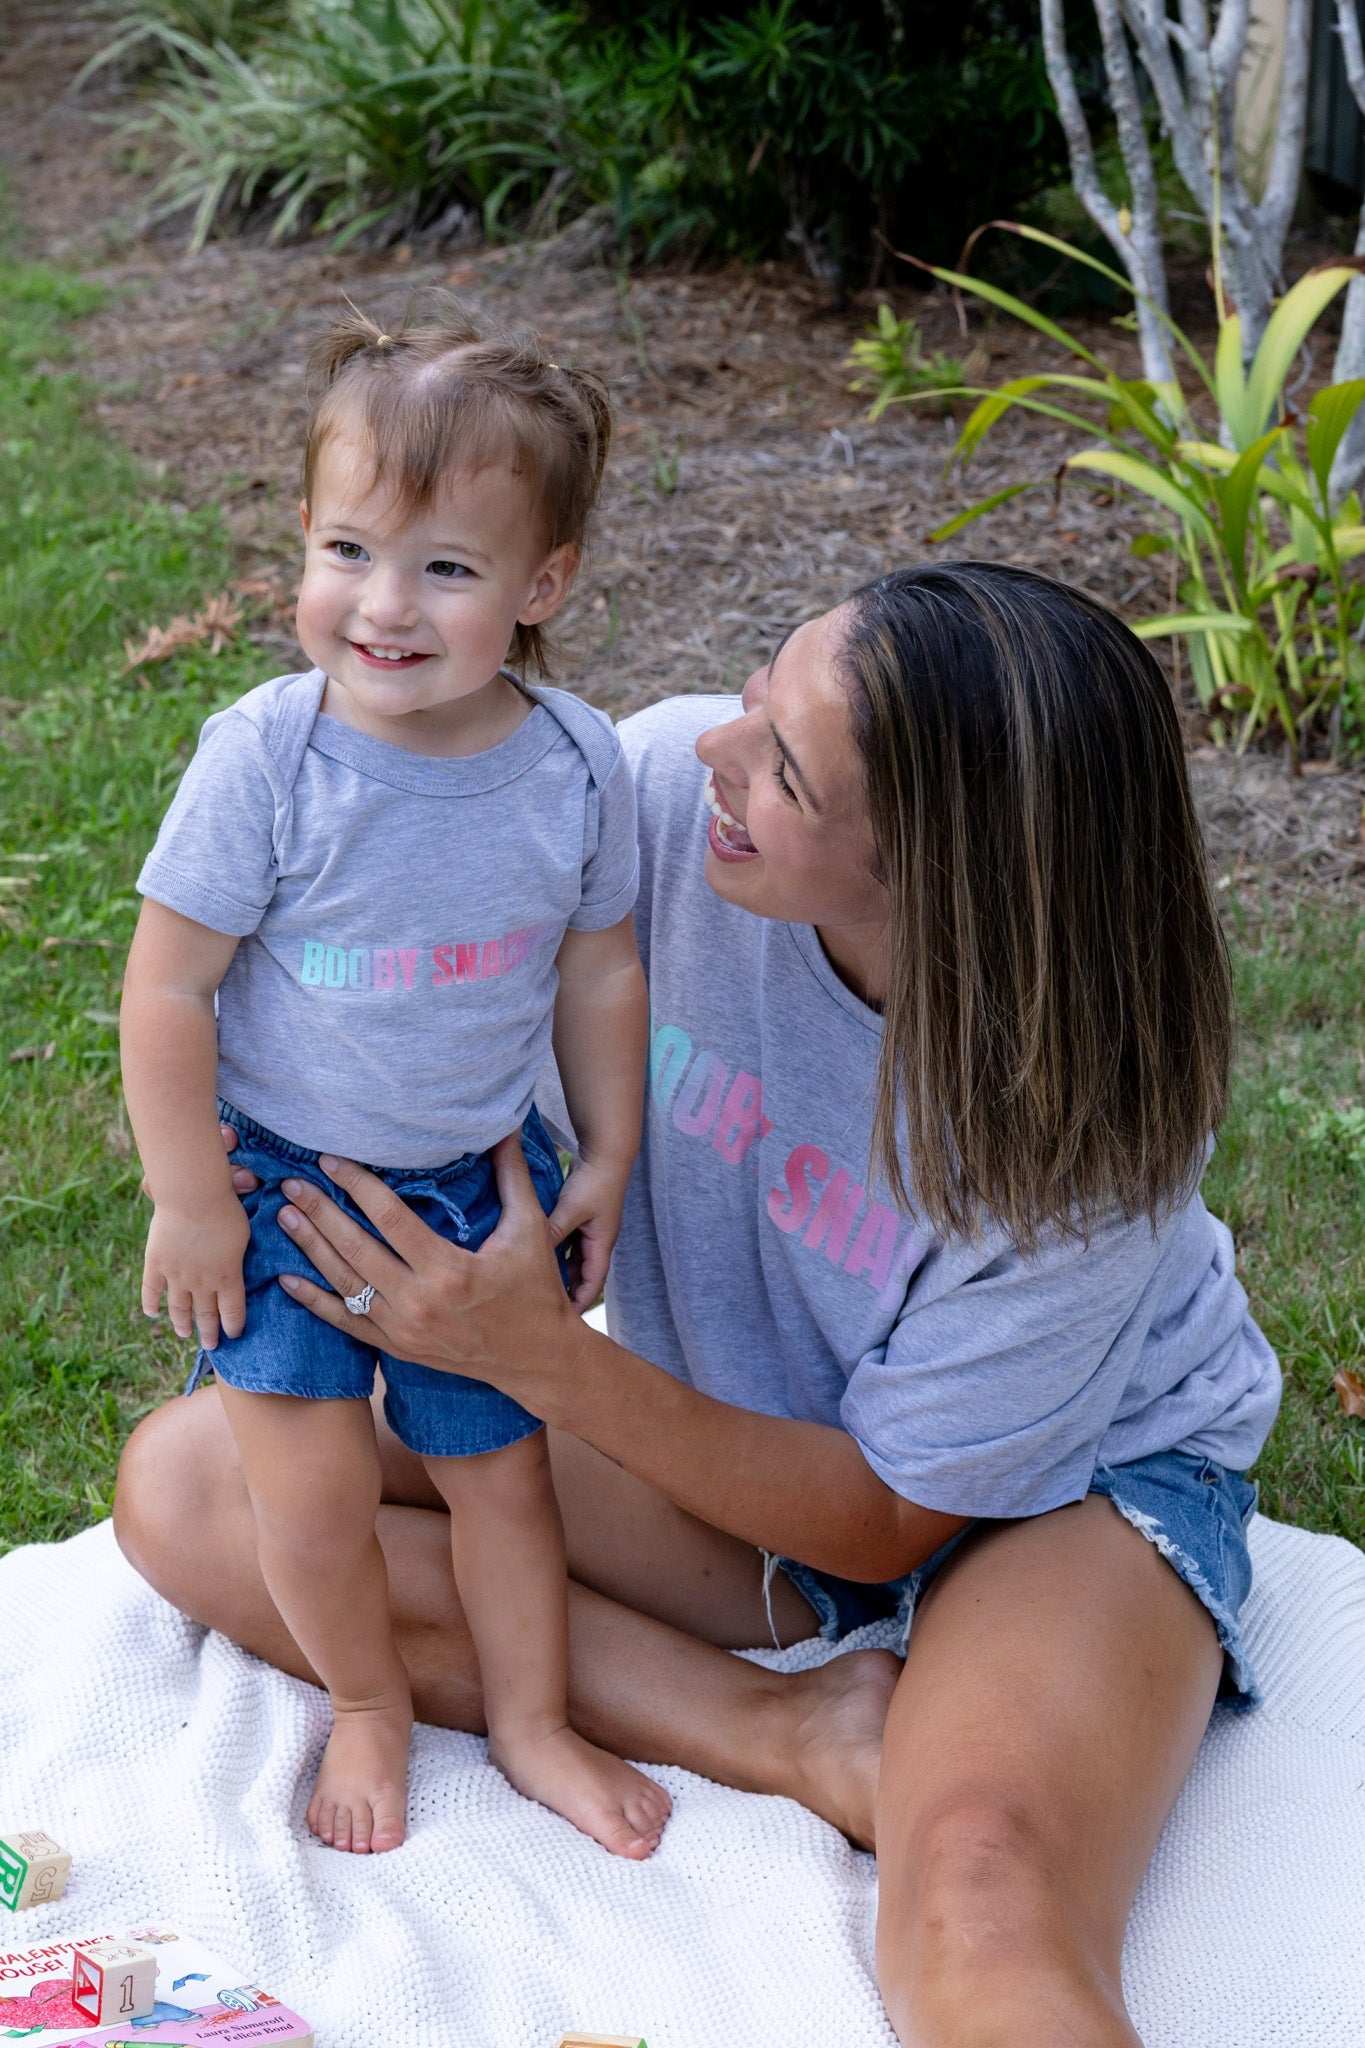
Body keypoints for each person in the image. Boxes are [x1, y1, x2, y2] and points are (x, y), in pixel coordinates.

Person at [116, 561, 1281, 2048]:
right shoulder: (652, 794)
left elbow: (881, 1520)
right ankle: (796, 1728)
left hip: (1060, 1501)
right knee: (197, 1484)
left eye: (783, 768)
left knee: (979, 1894)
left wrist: (533, 1356)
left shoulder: (1084, 1140)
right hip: (740, 1446)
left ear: (942, 874)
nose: (713, 753)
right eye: (755, 696)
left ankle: (933, 1744)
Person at [118, 298, 672, 1864]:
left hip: (468, 1197)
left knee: (503, 1486)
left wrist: (609, 1150)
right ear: (301, 537)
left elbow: (597, 968)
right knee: (308, 1493)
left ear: (541, 585)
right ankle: (364, 1699)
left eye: (446, 567)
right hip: (281, 1188)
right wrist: (190, 1197)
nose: (385, 604)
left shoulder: (572, 763)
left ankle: (534, 1720)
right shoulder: (267, 758)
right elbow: (169, 986)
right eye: (350, 550)